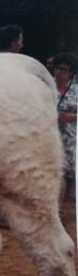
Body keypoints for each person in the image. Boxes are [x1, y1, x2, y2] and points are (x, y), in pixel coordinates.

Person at [54, 52, 77, 203]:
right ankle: (57, 211)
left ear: (71, 72)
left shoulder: (76, 90)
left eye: (63, 69)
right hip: (51, 140)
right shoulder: (46, 88)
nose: (58, 72)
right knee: (56, 176)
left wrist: (74, 116)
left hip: (71, 141)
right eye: (56, 68)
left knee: (69, 177)